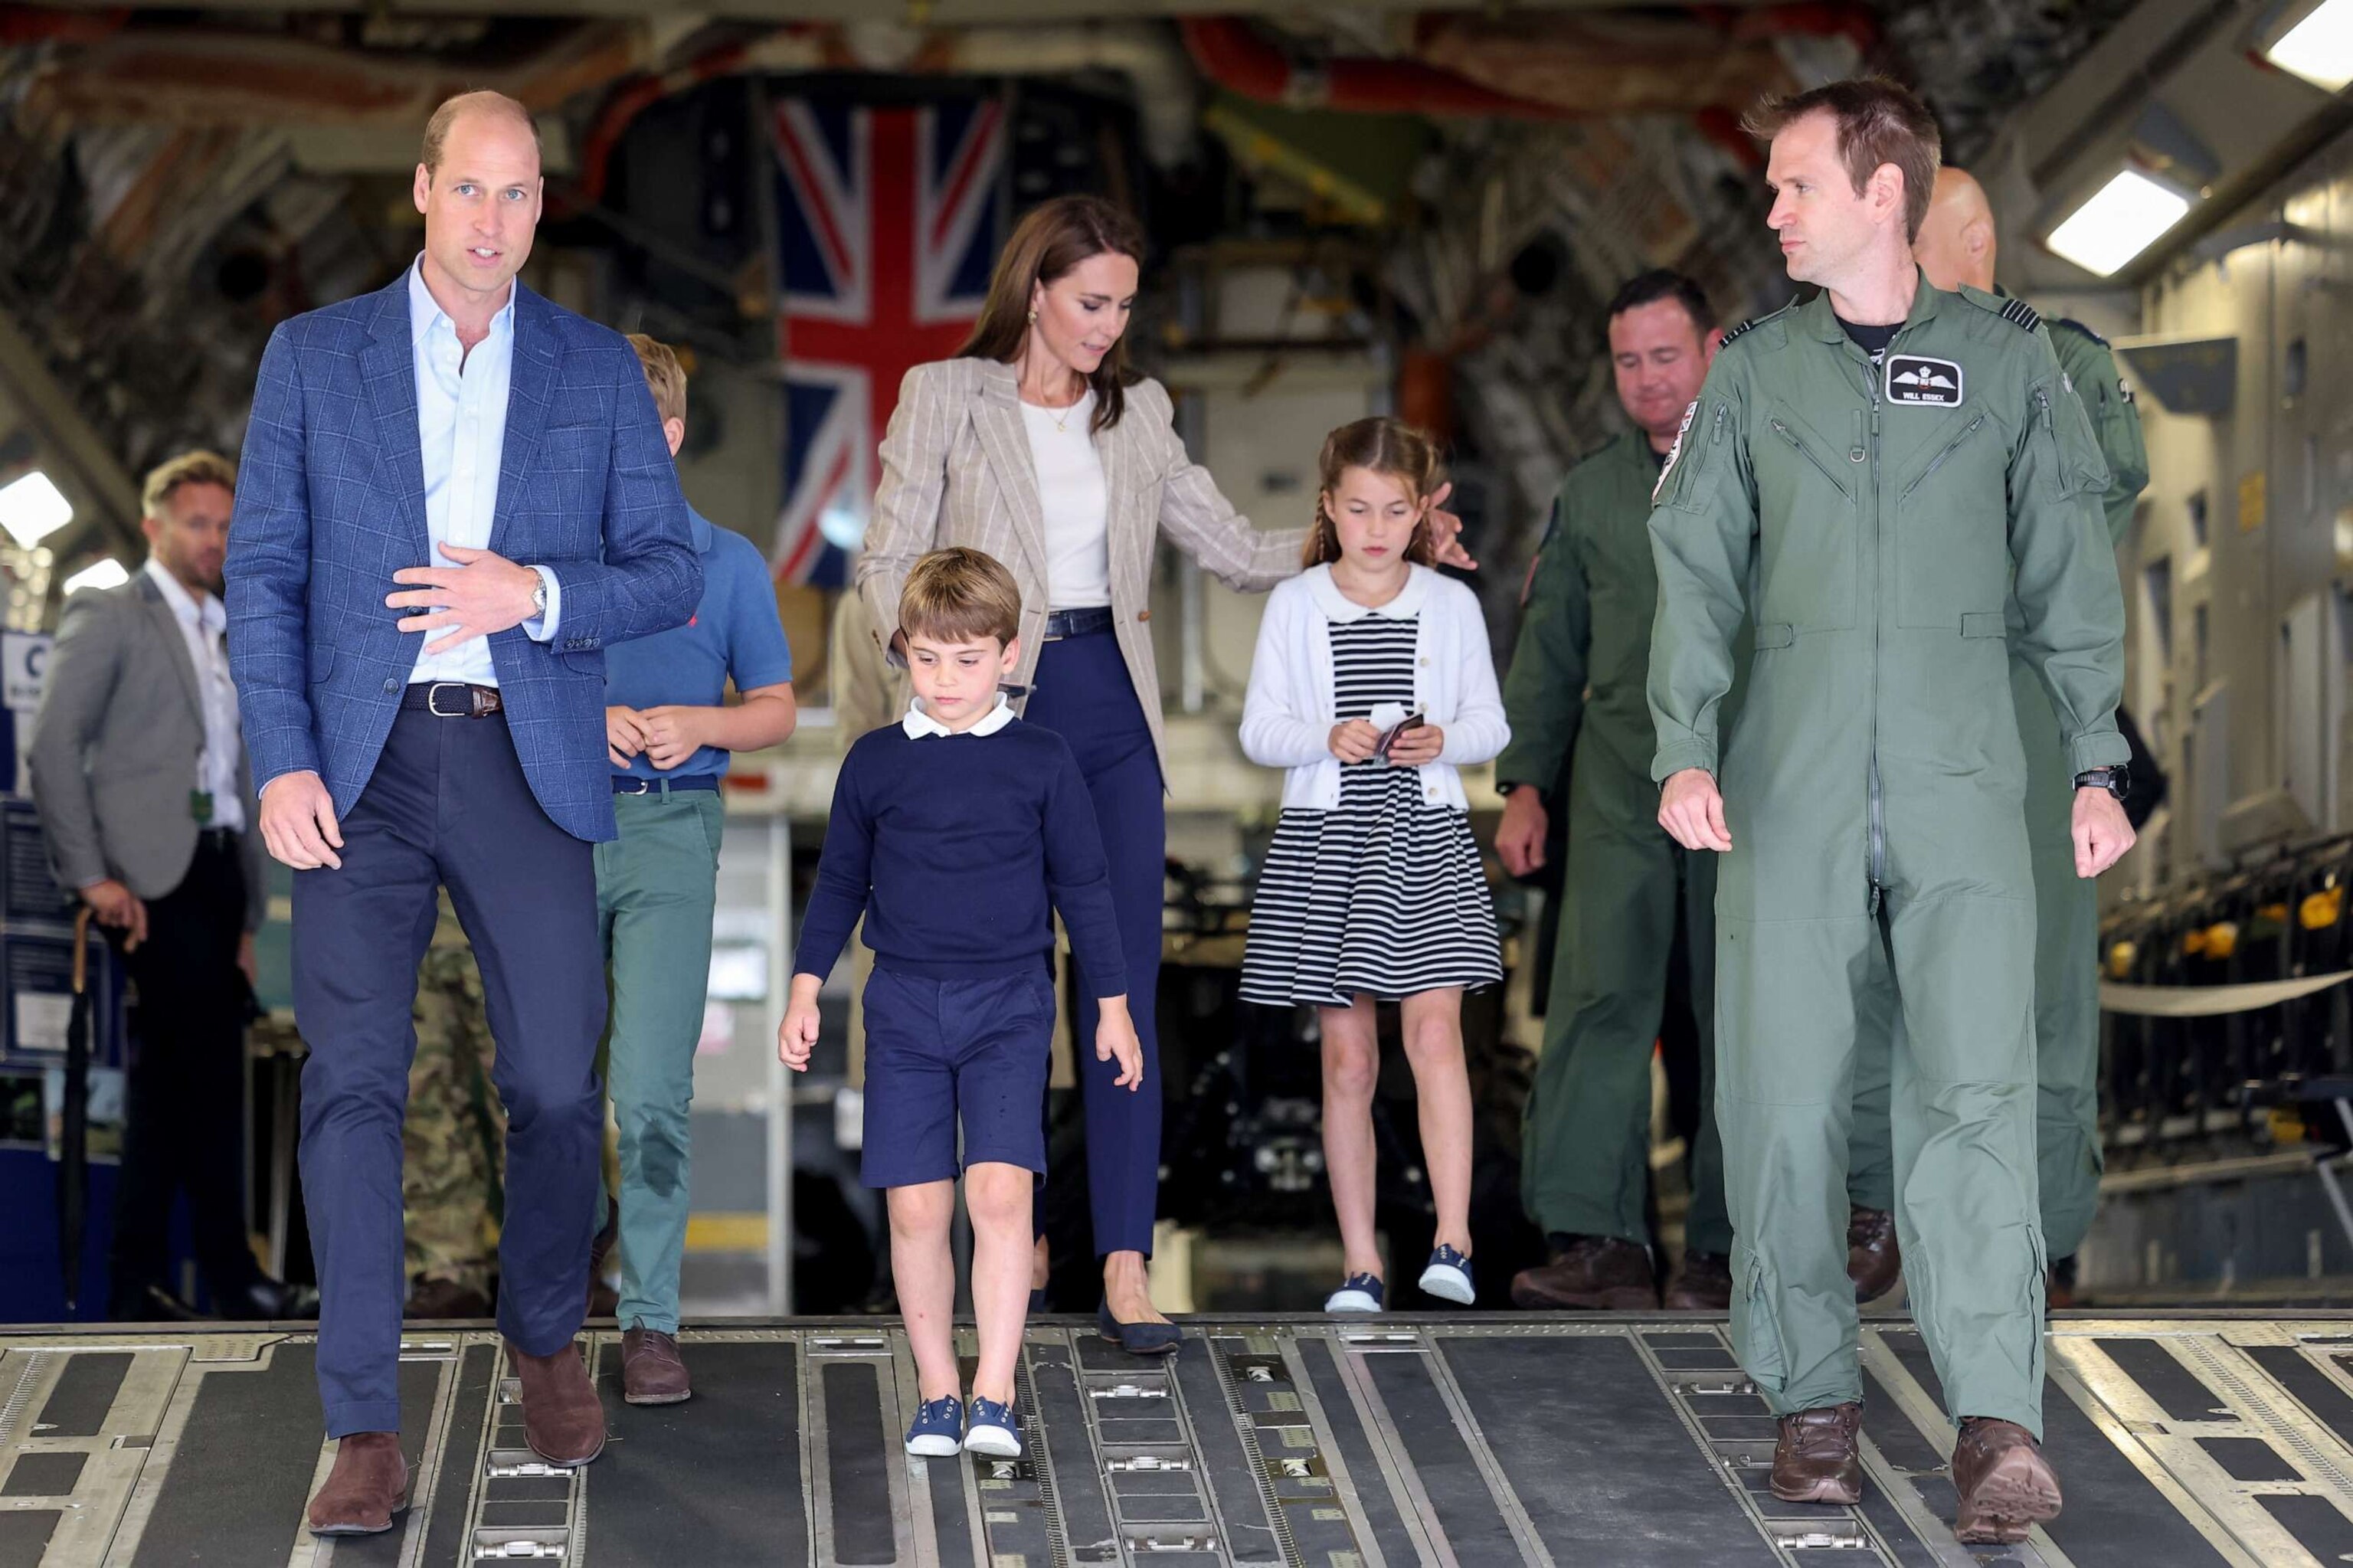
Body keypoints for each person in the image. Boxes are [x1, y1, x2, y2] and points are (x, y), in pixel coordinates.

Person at [859, 194, 1474, 1352]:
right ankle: (1022, 1231)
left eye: (1125, 306)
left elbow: (1237, 546)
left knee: (1121, 988)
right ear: (1035, 287)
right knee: (1004, 986)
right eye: (1092, 302)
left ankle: (1127, 1262)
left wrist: (1372, 539)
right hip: (993, 710)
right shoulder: (946, 395)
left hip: (1110, 712)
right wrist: (936, 688)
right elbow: (887, 561)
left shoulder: (1138, 408)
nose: (1109, 325)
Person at [1647, 77, 2134, 1543]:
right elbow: (1695, 567)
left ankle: (1996, 1424)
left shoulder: (2011, 364)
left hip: (1968, 774)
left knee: (1973, 1093)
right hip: (1786, 780)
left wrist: (2096, 761)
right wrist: (1682, 745)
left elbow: (2066, 564)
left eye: (1795, 185)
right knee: (1785, 1103)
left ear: (1882, 193)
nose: (1773, 212)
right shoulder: (1753, 373)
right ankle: (1810, 1401)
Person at [226, 90, 700, 1536]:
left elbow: (666, 571)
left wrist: (533, 595)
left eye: (520, 195)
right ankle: (361, 1420)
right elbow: (264, 576)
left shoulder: (593, 370)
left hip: (525, 757)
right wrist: (284, 758)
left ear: (541, 205)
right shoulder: (313, 357)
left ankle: (545, 1331)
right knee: (352, 1089)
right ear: (423, 191)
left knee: (557, 1082)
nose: (495, 221)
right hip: (357, 772)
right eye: (471, 191)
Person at [1842, 165, 2153, 1307]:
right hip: (1898, 697)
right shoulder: (1861, 358)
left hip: (2019, 694)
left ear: (1971, 240)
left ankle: (2045, 1226)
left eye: (1914, 237)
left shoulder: (2058, 359)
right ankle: (1881, 1207)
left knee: (2041, 974)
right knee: (1882, 955)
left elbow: (2079, 521)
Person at [780, 546, 1143, 1460]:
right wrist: (804, 988)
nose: (947, 679)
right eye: (929, 658)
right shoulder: (872, 763)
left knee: (999, 1191)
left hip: (1013, 1002)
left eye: (969, 658)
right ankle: (938, 1388)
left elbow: (1087, 887)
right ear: (903, 651)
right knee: (915, 1208)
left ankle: (995, 1390)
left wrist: (1112, 1003)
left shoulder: (1043, 759)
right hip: (899, 1004)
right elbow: (838, 886)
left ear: (1009, 655)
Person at [1494, 271, 1735, 1313]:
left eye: (1666, 356)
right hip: (1615, 780)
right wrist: (1524, 786)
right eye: (1629, 361)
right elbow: (1549, 650)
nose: (1647, 379)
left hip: (1745, 776)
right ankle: (1601, 1240)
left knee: (1747, 1010)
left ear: (1715, 348)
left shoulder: (1775, 465)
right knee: (1597, 998)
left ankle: (1733, 1246)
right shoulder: (1591, 491)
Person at [1237, 417, 1507, 1311]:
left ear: (1423, 513)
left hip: (1425, 835)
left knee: (1435, 1037)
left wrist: (1440, 742)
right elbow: (1258, 730)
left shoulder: (1450, 604)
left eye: (1395, 510)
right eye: (1358, 508)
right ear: (1330, 508)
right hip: (1327, 843)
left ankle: (1453, 1240)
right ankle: (1360, 1263)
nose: (1377, 526)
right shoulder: (1295, 602)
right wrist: (1325, 735)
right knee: (1347, 1059)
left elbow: (1489, 726)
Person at [29, 450, 299, 1321]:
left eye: (224, 524)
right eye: (197, 523)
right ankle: (221, 1273)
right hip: (150, 879)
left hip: (220, 871)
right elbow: (51, 747)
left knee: (183, 1081)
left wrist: (251, 913)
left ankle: (141, 1279)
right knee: (205, 1079)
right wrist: (90, 875)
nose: (213, 539)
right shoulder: (111, 611)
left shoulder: (225, 629)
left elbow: (235, 769)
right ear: (154, 525)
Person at [597, 333, 797, 1404]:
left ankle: (650, 1319)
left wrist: (698, 721)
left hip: (672, 828)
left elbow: (774, 705)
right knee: (543, 1085)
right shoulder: (537, 563)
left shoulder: (726, 562)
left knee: (653, 1091)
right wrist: (590, 718)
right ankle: (547, 1296)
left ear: (671, 436)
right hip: (547, 827)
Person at [403, 892, 502, 1319]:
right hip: (409, 905)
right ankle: (447, 1267)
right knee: (422, 1098)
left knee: (535, 1095)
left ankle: (562, 1264)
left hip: (509, 897)